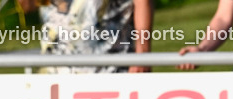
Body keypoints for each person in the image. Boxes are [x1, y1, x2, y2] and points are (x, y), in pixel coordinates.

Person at [17, 0, 153, 73]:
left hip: (108, 70)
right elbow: (29, 7)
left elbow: (142, 2)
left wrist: (142, 53)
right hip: (55, 71)